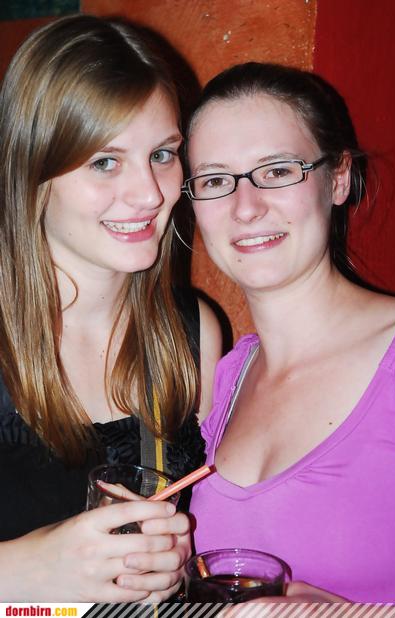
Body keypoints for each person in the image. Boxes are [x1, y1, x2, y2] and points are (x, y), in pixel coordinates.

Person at [0, 14, 222, 602]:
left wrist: (173, 564)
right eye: (105, 161)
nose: (150, 194)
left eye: (163, 154)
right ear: (31, 169)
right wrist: (23, 571)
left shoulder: (192, 331)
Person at [183, 62, 395, 603]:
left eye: (278, 171)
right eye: (215, 180)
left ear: (338, 178)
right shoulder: (230, 375)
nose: (246, 207)